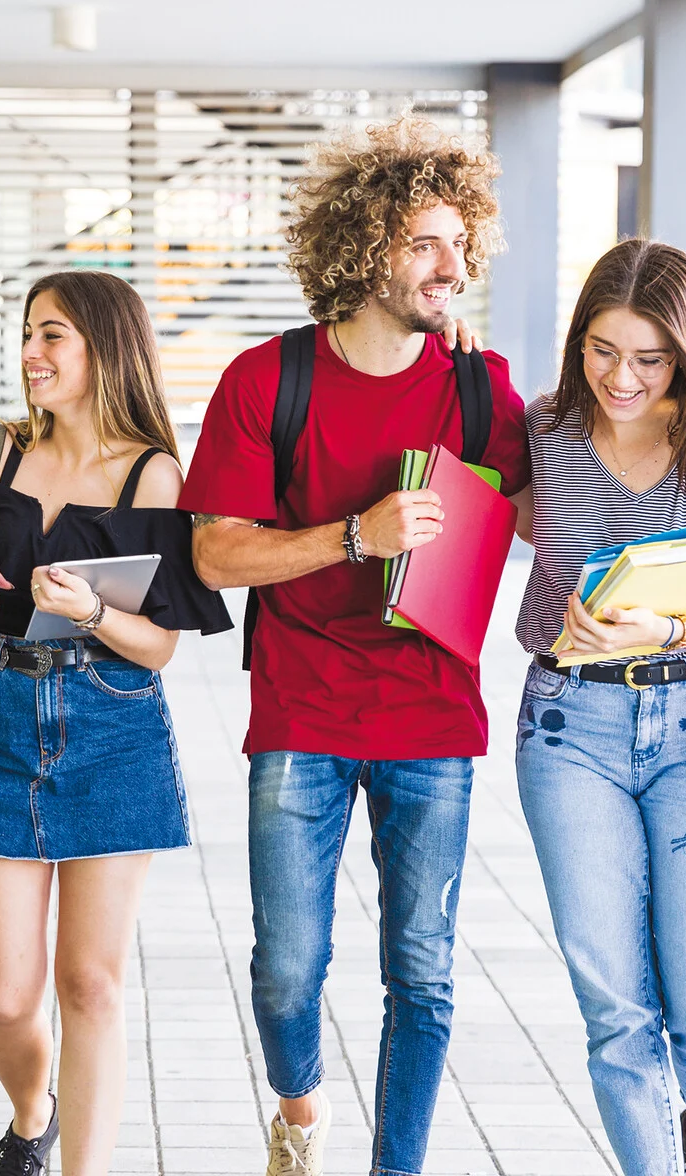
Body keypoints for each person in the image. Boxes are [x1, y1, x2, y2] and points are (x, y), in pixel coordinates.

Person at [180, 117, 529, 1176]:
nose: (451, 266)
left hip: (433, 713)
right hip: (304, 705)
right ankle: (299, 1112)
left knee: (420, 970)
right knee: (289, 968)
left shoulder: (480, 385)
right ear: (363, 244)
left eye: (460, 245)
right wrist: (353, 537)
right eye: (426, 243)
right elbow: (215, 555)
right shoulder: (264, 381)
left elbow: (526, 517)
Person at [0, 270, 230, 1176]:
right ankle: (31, 1113)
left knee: (90, 982)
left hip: (110, 720)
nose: (31, 354)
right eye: (26, 334)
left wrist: (91, 611)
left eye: (53, 336)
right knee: (8, 997)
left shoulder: (152, 471)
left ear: (105, 349)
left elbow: (161, 645)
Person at [511, 238, 686, 1176]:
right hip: (566, 729)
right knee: (614, 1003)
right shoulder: (543, 432)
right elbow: (496, 525)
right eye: (601, 350)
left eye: (649, 357)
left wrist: (666, 632)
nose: (620, 378)